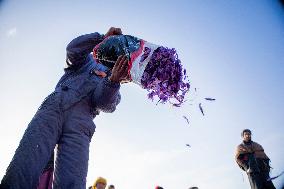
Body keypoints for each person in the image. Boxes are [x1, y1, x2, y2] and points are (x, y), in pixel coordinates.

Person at [1, 27, 129, 189]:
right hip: (54, 109)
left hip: (81, 124)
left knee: (73, 181)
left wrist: (113, 81)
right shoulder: (88, 60)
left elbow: (103, 103)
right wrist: (102, 38)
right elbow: (73, 49)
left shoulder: (115, 80)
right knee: (25, 165)